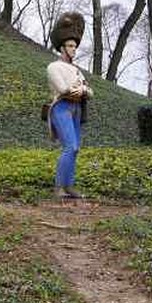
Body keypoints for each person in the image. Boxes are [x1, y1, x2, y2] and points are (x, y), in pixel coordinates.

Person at [46, 12, 93, 199]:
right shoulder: (54, 67)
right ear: (62, 47)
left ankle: (69, 185)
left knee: (76, 148)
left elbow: (89, 92)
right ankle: (59, 187)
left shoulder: (77, 70)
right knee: (70, 147)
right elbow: (63, 89)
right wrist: (79, 89)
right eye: (71, 46)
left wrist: (81, 90)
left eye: (75, 46)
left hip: (77, 109)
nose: (74, 49)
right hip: (61, 108)